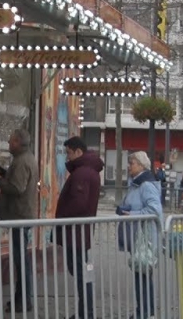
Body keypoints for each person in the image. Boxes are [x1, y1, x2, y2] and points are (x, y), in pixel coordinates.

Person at [55, 136, 103, 319]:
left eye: (68, 152)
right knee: (82, 273)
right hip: (79, 232)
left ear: (78, 152)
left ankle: (86, 313)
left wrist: (62, 218)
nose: (67, 157)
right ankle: (85, 312)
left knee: (81, 274)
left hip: (75, 232)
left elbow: (79, 203)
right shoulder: (87, 171)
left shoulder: (82, 173)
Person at [116, 151, 163, 319]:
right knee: (142, 275)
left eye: (132, 163)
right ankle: (145, 311)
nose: (129, 166)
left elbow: (155, 210)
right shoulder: (137, 183)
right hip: (139, 237)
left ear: (142, 166)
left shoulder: (146, 185)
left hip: (144, 238)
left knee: (142, 275)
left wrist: (134, 214)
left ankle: (143, 312)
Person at [0, 130, 39, 313]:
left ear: (17, 143)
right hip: (22, 214)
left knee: (21, 260)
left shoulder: (22, 161)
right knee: (22, 259)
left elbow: (17, 187)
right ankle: (21, 298)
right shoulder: (27, 158)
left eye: (11, 140)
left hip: (19, 215)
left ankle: (23, 299)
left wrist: (0, 182)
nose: (8, 142)